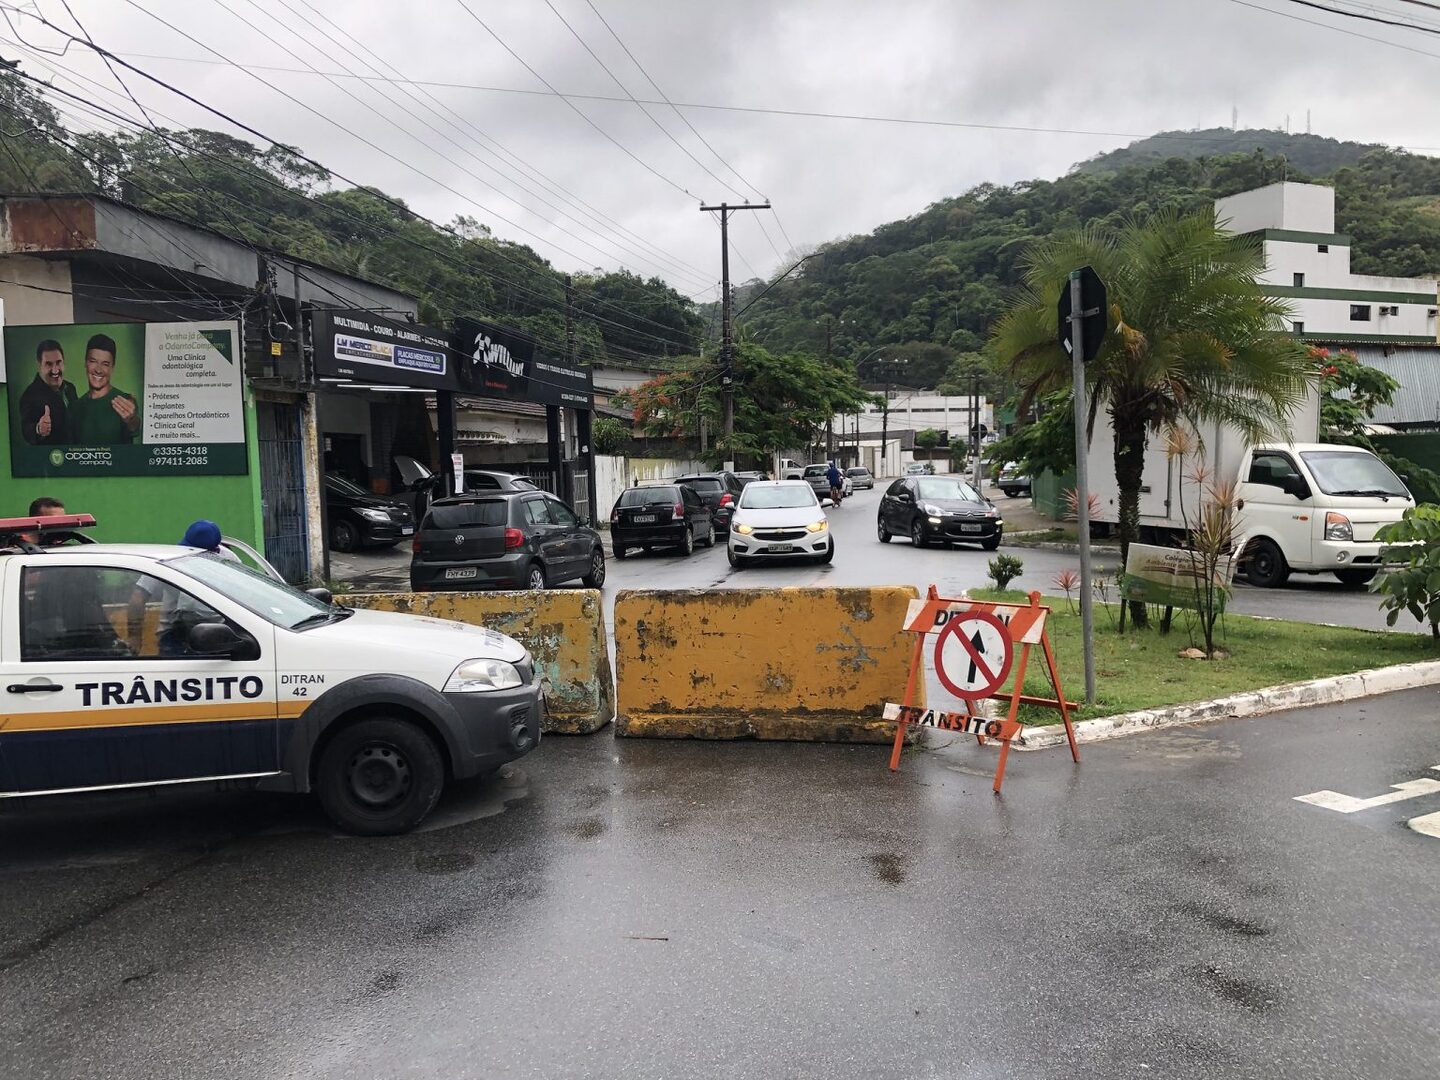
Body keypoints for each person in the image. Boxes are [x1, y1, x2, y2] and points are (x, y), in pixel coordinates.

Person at [68, 333, 140, 445]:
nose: (98, 370)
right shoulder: (74, 408)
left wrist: (131, 419)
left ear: (112, 368)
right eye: (93, 361)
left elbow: (134, 427)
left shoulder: (125, 402)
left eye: (105, 364)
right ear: (86, 363)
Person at [18, 339, 78, 446]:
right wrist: (38, 429)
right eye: (49, 364)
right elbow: (26, 430)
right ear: (39, 365)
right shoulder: (29, 395)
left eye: (58, 362)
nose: (55, 370)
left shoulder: (71, 388)